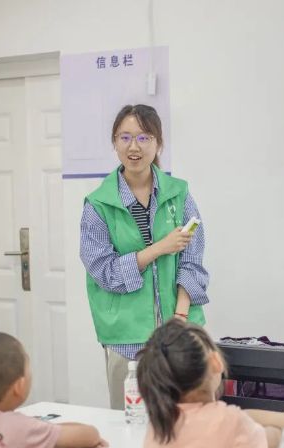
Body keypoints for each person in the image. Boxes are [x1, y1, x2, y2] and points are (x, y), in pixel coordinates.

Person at [80, 104, 209, 409]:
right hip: (126, 339)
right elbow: (105, 273)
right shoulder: (98, 205)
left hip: (181, 332)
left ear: (158, 143)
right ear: (114, 143)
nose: (134, 147)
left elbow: (193, 261)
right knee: (129, 424)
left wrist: (180, 318)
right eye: (125, 137)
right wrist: (158, 248)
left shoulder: (179, 194)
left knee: (191, 421)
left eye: (143, 137)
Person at [137, 319, 284, 448]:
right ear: (216, 362)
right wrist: (277, 429)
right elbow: (269, 442)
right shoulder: (227, 420)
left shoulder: (159, 422)